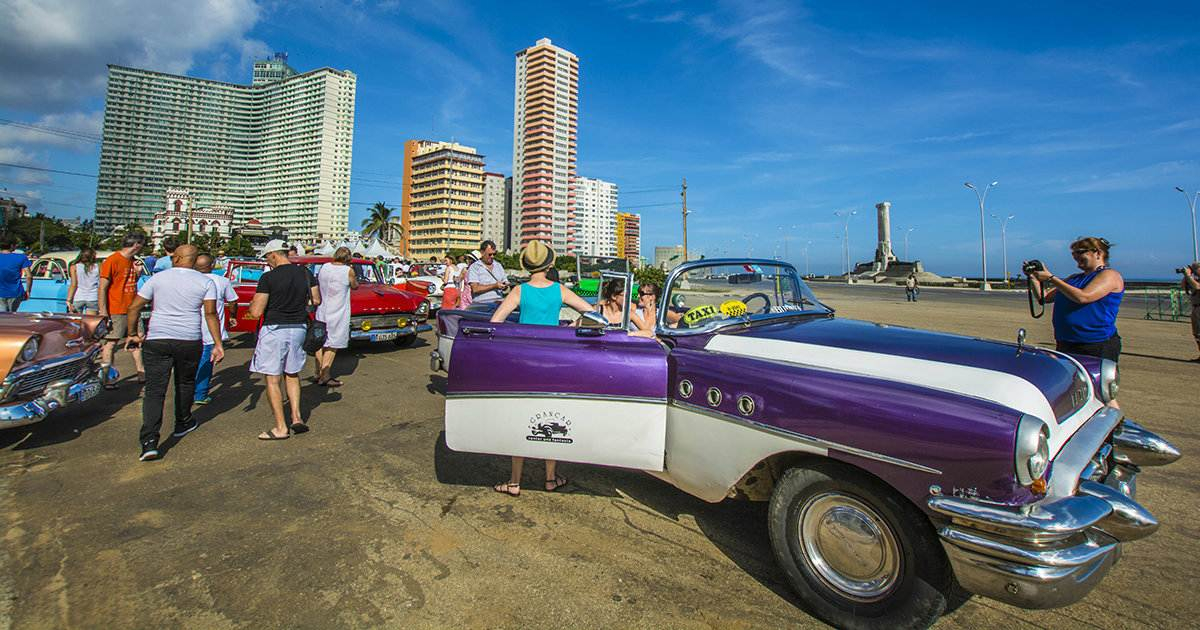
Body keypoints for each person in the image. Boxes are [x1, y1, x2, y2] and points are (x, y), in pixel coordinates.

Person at [490, 241, 595, 497]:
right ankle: (550, 478)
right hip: (552, 362)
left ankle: (514, 482)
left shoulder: (518, 290)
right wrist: (568, 329)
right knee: (550, 417)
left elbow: (495, 322)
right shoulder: (559, 290)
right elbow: (592, 313)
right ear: (550, 264)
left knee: (521, 420)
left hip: (524, 363)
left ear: (527, 265)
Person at [125, 245, 224, 461]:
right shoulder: (205, 282)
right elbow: (210, 314)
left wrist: (132, 333)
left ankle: (150, 441)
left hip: (158, 338)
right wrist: (217, 343)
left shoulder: (158, 279)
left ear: (177, 258)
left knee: (154, 391)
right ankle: (183, 421)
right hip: (189, 339)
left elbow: (134, 307)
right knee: (185, 383)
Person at [247, 240, 321, 440]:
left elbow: (256, 312)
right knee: (292, 373)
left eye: (267, 258)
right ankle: (297, 417)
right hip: (298, 327)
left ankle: (280, 427)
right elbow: (316, 300)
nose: (267, 262)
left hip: (275, 328)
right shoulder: (305, 273)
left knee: (272, 378)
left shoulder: (268, 277)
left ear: (273, 255)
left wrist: (255, 305)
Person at [1030, 236, 1125, 364]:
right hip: (1066, 342)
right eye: (1074, 253)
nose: (1075, 256)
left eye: (1080, 252)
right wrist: (1034, 278)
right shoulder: (1074, 278)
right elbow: (1045, 297)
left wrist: (1051, 278)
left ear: (1098, 253)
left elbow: (1083, 297)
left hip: (1095, 344)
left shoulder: (1110, 275)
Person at [99, 234, 147, 388]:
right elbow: (103, 287)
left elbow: (130, 282)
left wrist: (138, 273)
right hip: (116, 308)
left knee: (138, 339)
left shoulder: (133, 262)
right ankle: (107, 377)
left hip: (132, 308)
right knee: (111, 342)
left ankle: (141, 373)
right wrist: (103, 310)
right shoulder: (112, 260)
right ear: (136, 245)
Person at [193, 254, 238, 405]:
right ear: (212, 264)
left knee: (190, 362)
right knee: (206, 362)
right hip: (211, 329)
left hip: (189, 328)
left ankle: (187, 392)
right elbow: (232, 301)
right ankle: (200, 393)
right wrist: (232, 316)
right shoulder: (222, 281)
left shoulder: (189, 280)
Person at [314, 247, 357, 386]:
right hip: (338, 310)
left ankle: (318, 371)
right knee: (333, 343)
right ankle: (325, 375)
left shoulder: (325, 267)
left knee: (320, 341)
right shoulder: (348, 271)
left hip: (322, 308)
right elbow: (354, 285)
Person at [467, 240, 509, 305]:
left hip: (498, 302)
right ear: (482, 253)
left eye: (494, 254)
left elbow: (505, 282)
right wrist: (494, 286)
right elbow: (475, 289)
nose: (492, 256)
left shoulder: (498, 265)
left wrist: (505, 286)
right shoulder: (474, 267)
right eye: (490, 254)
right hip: (481, 304)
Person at [0, 239, 32, 312]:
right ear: (11, 246)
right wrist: (28, 291)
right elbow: (29, 276)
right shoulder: (21, 257)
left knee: (2, 317)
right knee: (12, 316)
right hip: (15, 292)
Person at [67, 248, 101, 314]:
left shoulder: (74, 267)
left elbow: (74, 285)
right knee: (90, 322)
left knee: (76, 323)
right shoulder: (98, 267)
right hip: (93, 297)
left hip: (78, 297)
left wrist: (69, 299)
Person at [1182, 262, 1200, 362]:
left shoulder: (1196, 281)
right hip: (1195, 308)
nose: (1194, 271)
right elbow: (1184, 287)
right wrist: (1185, 276)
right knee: (1197, 333)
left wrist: (1189, 275)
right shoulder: (1194, 279)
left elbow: (1197, 286)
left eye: (1195, 269)